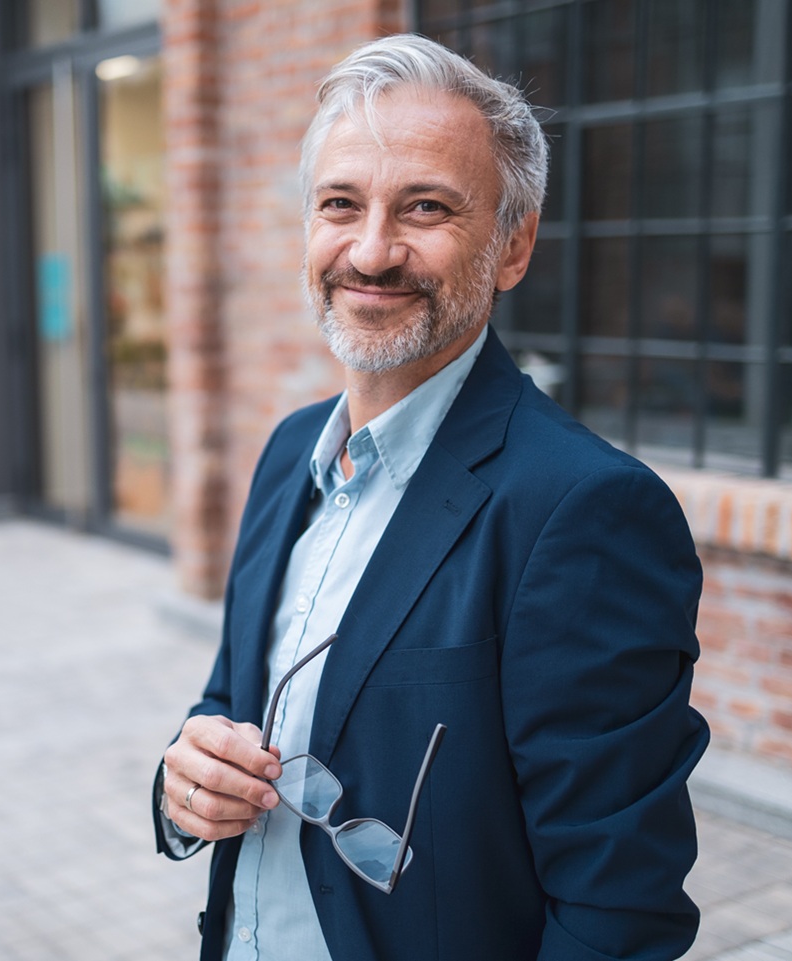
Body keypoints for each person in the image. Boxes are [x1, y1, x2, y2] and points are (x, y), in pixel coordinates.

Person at [153, 34, 709, 961]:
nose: (372, 251)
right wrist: (185, 783)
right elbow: (231, 696)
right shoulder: (291, 450)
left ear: (513, 245)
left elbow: (617, 911)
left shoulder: (585, 510)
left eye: (426, 208)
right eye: (341, 204)